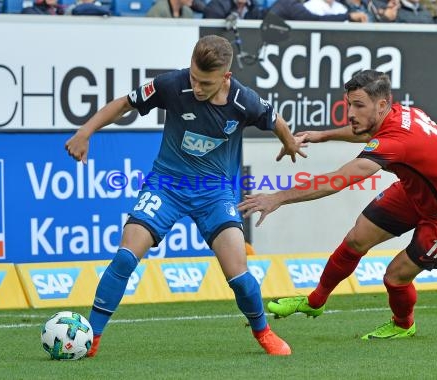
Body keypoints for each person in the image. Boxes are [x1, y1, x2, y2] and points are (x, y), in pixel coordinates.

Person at [65, 35, 306, 357]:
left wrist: (289, 141)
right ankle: (91, 338)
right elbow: (124, 103)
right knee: (125, 256)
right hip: (166, 185)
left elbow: (274, 118)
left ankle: (263, 332)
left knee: (239, 275)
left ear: (226, 77)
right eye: (193, 77)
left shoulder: (244, 101)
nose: (196, 87)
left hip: (214, 192)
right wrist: (85, 132)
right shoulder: (171, 85)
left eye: (205, 83)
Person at [238, 70, 437, 340]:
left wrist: (277, 198)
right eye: (349, 104)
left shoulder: (397, 141)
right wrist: (323, 135)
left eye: (358, 105)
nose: (350, 113)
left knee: (395, 277)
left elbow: (336, 181)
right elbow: (368, 132)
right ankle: (315, 302)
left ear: (381, 104)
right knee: (356, 240)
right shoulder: (399, 115)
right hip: (414, 193)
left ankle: (403, 324)